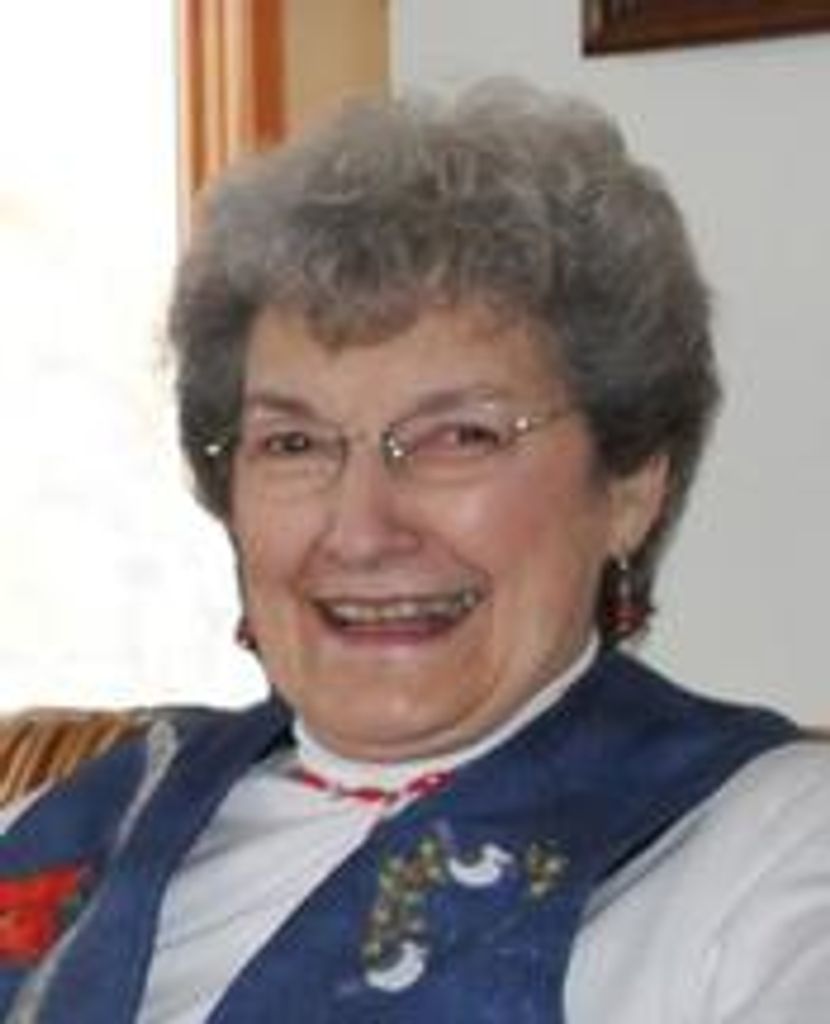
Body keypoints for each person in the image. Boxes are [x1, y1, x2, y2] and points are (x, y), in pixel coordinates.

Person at [1, 80, 828, 1024]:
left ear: (631, 485)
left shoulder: (770, 850)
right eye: (294, 443)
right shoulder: (78, 819)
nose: (360, 530)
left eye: (459, 437)